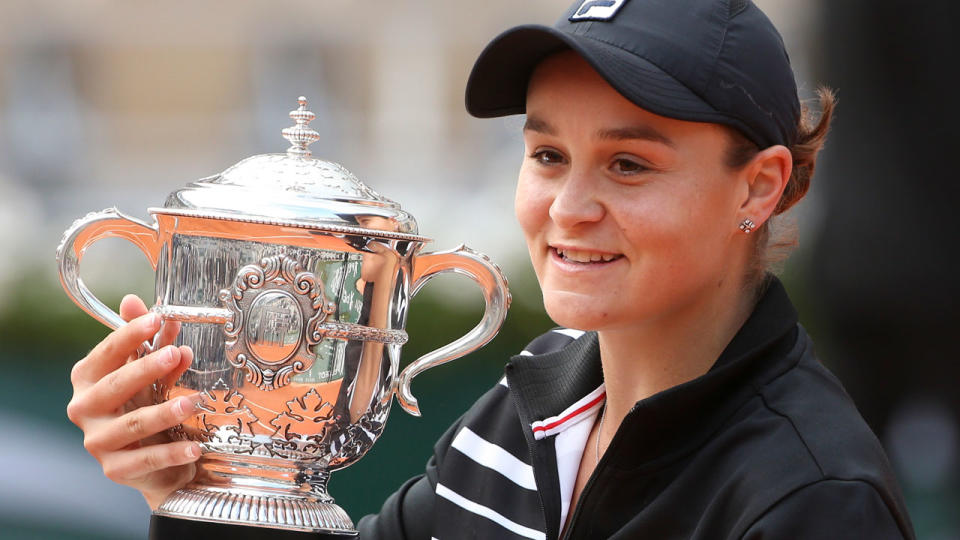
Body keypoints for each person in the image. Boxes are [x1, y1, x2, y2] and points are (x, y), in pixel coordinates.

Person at [66, 0, 915, 538]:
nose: (568, 207)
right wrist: (203, 486)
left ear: (760, 186)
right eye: (548, 154)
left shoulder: (813, 497)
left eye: (629, 166)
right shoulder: (525, 406)